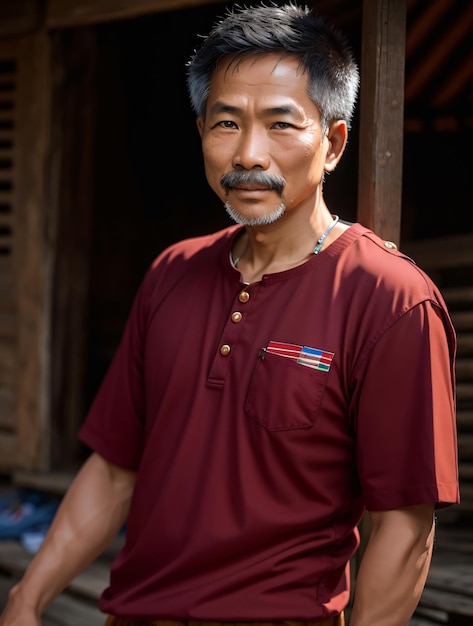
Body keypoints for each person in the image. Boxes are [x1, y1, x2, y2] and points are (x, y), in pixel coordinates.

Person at [0, 3, 459, 626]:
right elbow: (112, 473)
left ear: (333, 143)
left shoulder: (391, 300)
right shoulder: (171, 273)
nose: (248, 154)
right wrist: (26, 600)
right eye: (225, 123)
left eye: (280, 124)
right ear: (201, 136)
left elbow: (405, 529)